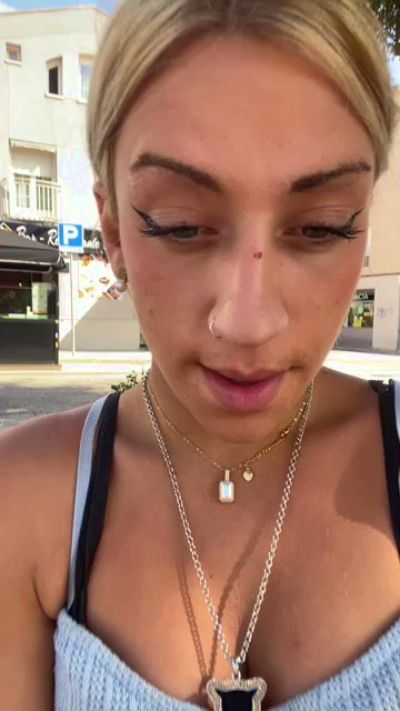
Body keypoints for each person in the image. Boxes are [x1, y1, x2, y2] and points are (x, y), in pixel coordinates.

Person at [1, 0, 399, 709]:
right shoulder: (24, 498)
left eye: (320, 227)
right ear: (113, 230)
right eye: (180, 226)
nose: (247, 322)